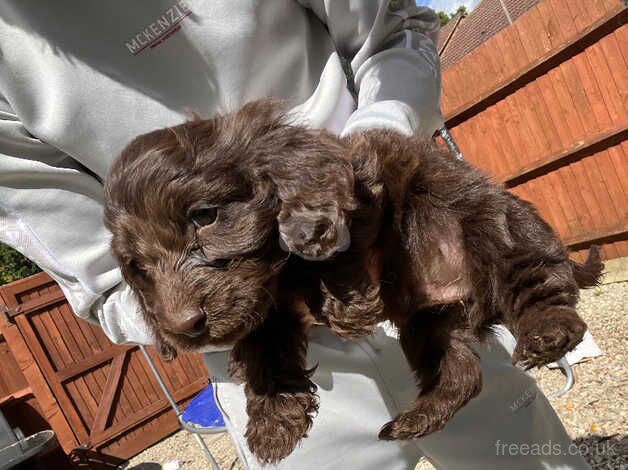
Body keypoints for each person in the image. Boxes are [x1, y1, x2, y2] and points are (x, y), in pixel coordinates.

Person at [0, 1, 590, 468]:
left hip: (396, 228)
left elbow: (394, 30)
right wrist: (259, 306)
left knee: (527, 458)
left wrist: (367, 175)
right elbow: (105, 281)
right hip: (257, 345)